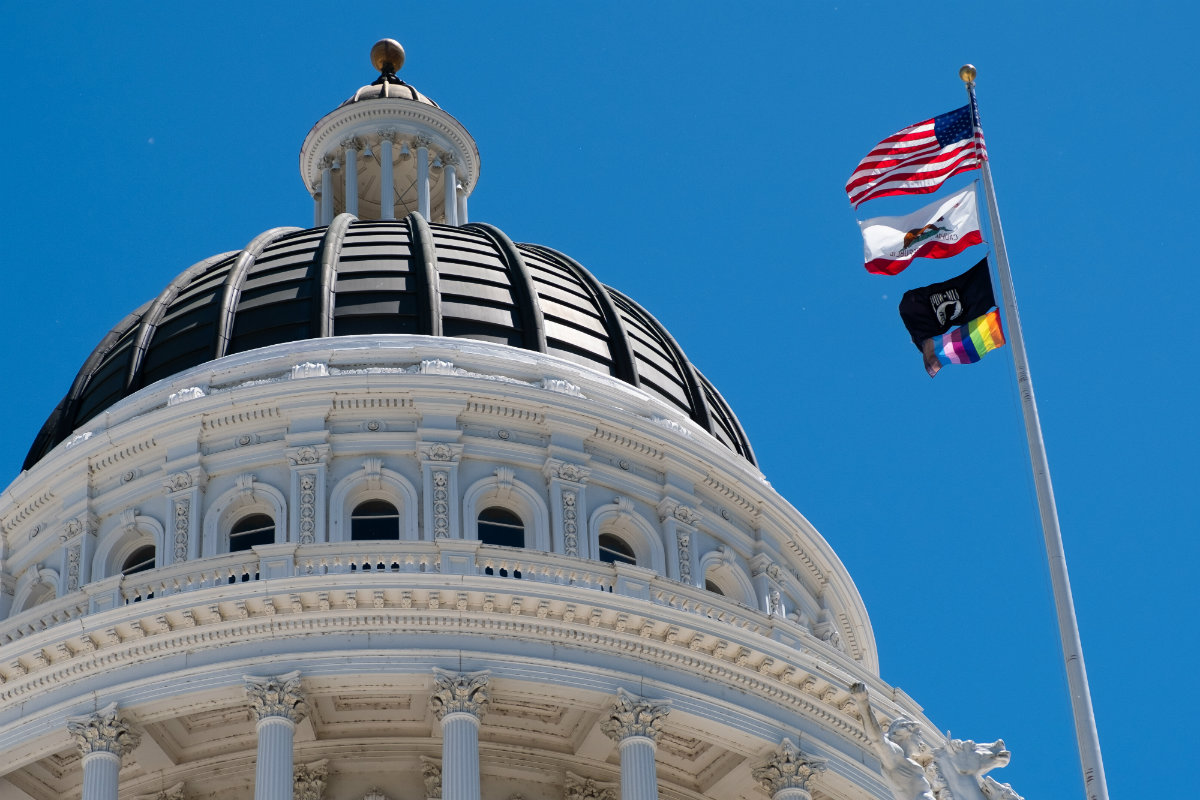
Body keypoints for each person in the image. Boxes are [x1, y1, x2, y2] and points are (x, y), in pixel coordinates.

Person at [849, 682, 936, 800]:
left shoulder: (902, 758)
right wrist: (863, 703)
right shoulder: (895, 756)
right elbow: (877, 739)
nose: (921, 743)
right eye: (918, 735)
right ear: (907, 733)